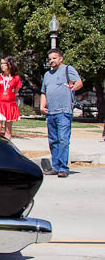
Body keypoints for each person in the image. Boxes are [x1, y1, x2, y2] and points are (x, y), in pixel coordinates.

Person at [40, 48, 82, 177]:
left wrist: (74, 87)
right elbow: (44, 92)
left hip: (64, 111)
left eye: (54, 58)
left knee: (63, 139)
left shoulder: (68, 69)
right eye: (50, 59)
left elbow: (79, 82)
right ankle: (56, 167)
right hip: (51, 112)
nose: (52, 61)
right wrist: (42, 106)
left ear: (60, 58)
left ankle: (64, 168)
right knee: (53, 140)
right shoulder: (47, 75)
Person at [0, 56, 22, 139]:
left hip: (10, 105)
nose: (2, 66)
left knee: (8, 131)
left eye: (4, 64)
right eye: (1, 64)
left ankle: (6, 148)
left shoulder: (16, 78)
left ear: (10, 65)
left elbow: (16, 91)